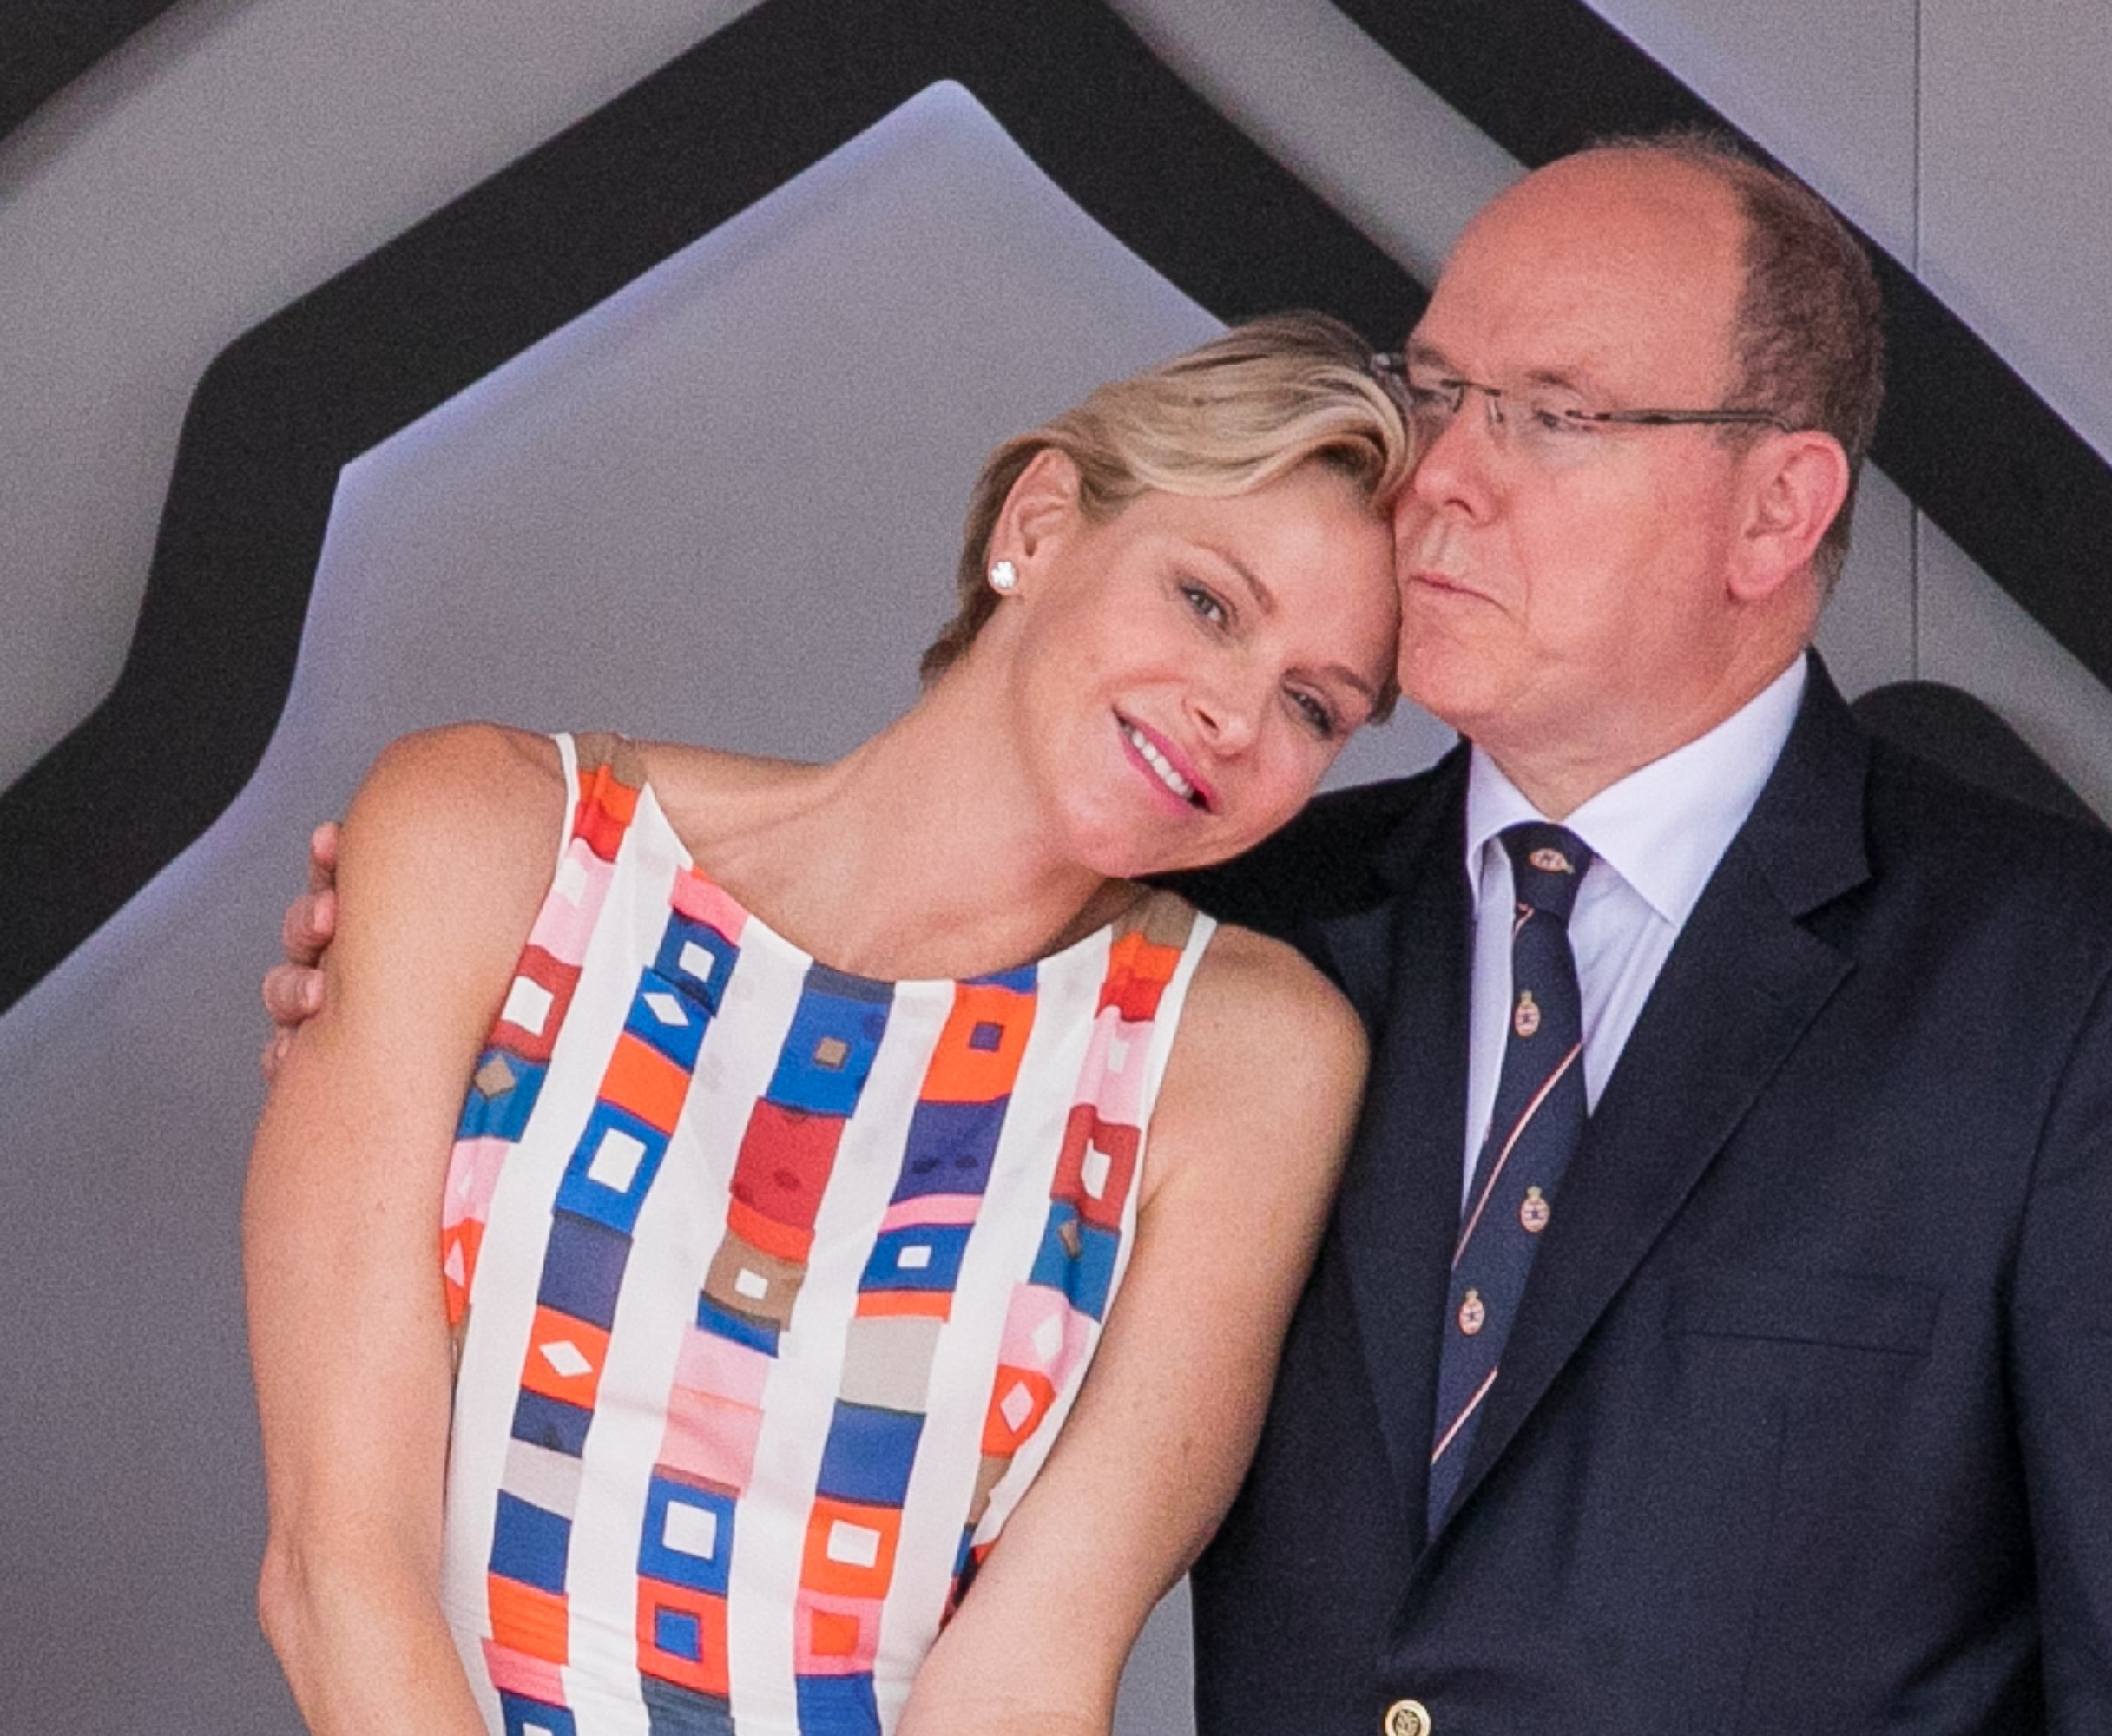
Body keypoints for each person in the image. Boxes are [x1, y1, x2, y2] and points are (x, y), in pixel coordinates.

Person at [268, 136, 2112, 1733]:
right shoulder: (1230, 944)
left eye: (1548, 414)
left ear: (1779, 507)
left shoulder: (2090, 1005)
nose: (1445, 476)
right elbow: (825, 1008)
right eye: (1443, 395)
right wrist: (452, 948)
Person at [243, 313, 1414, 1736]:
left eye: (1313, 705)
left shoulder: (1248, 1059)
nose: (1236, 712)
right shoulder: (488, 836)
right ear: (1040, 525)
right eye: (1208, 604)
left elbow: (1031, 1679)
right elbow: (336, 1570)